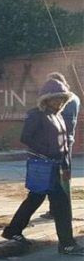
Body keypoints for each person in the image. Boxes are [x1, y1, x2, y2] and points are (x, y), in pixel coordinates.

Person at [2, 77, 83, 255]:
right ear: (46, 98)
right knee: (61, 204)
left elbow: (63, 143)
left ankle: (13, 231)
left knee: (34, 199)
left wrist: (66, 165)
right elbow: (26, 138)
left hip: (54, 165)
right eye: (56, 98)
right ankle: (67, 244)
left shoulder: (58, 116)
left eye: (62, 98)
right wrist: (46, 152)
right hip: (42, 165)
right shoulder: (36, 114)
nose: (59, 101)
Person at [42, 72, 79, 219]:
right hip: (68, 139)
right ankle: (63, 209)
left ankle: (58, 210)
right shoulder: (75, 98)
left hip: (58, 141)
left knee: (56, 177)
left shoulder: (63, 99)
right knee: (65, 175)